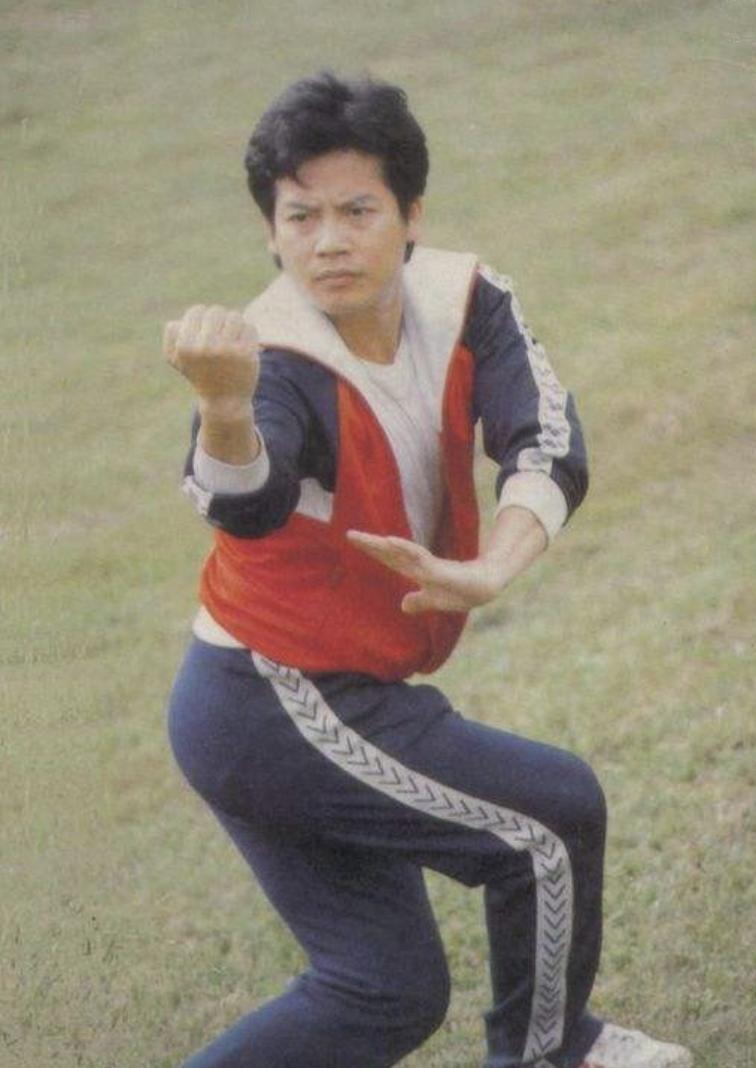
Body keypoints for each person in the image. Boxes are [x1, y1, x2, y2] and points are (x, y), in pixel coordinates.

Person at [163, 71, 692, 1068]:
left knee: (383, 992)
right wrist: (224, 407)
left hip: (289, 697)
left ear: (411, 215)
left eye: (357, 210)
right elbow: (245, 502)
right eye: (300, 216)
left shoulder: (466, 298)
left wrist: (495, 564)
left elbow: (545, 438)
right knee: (551, 814)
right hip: (271, 698)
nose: (328, 240)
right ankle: (553, 1054)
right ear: (271, 233)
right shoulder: (274, 359)